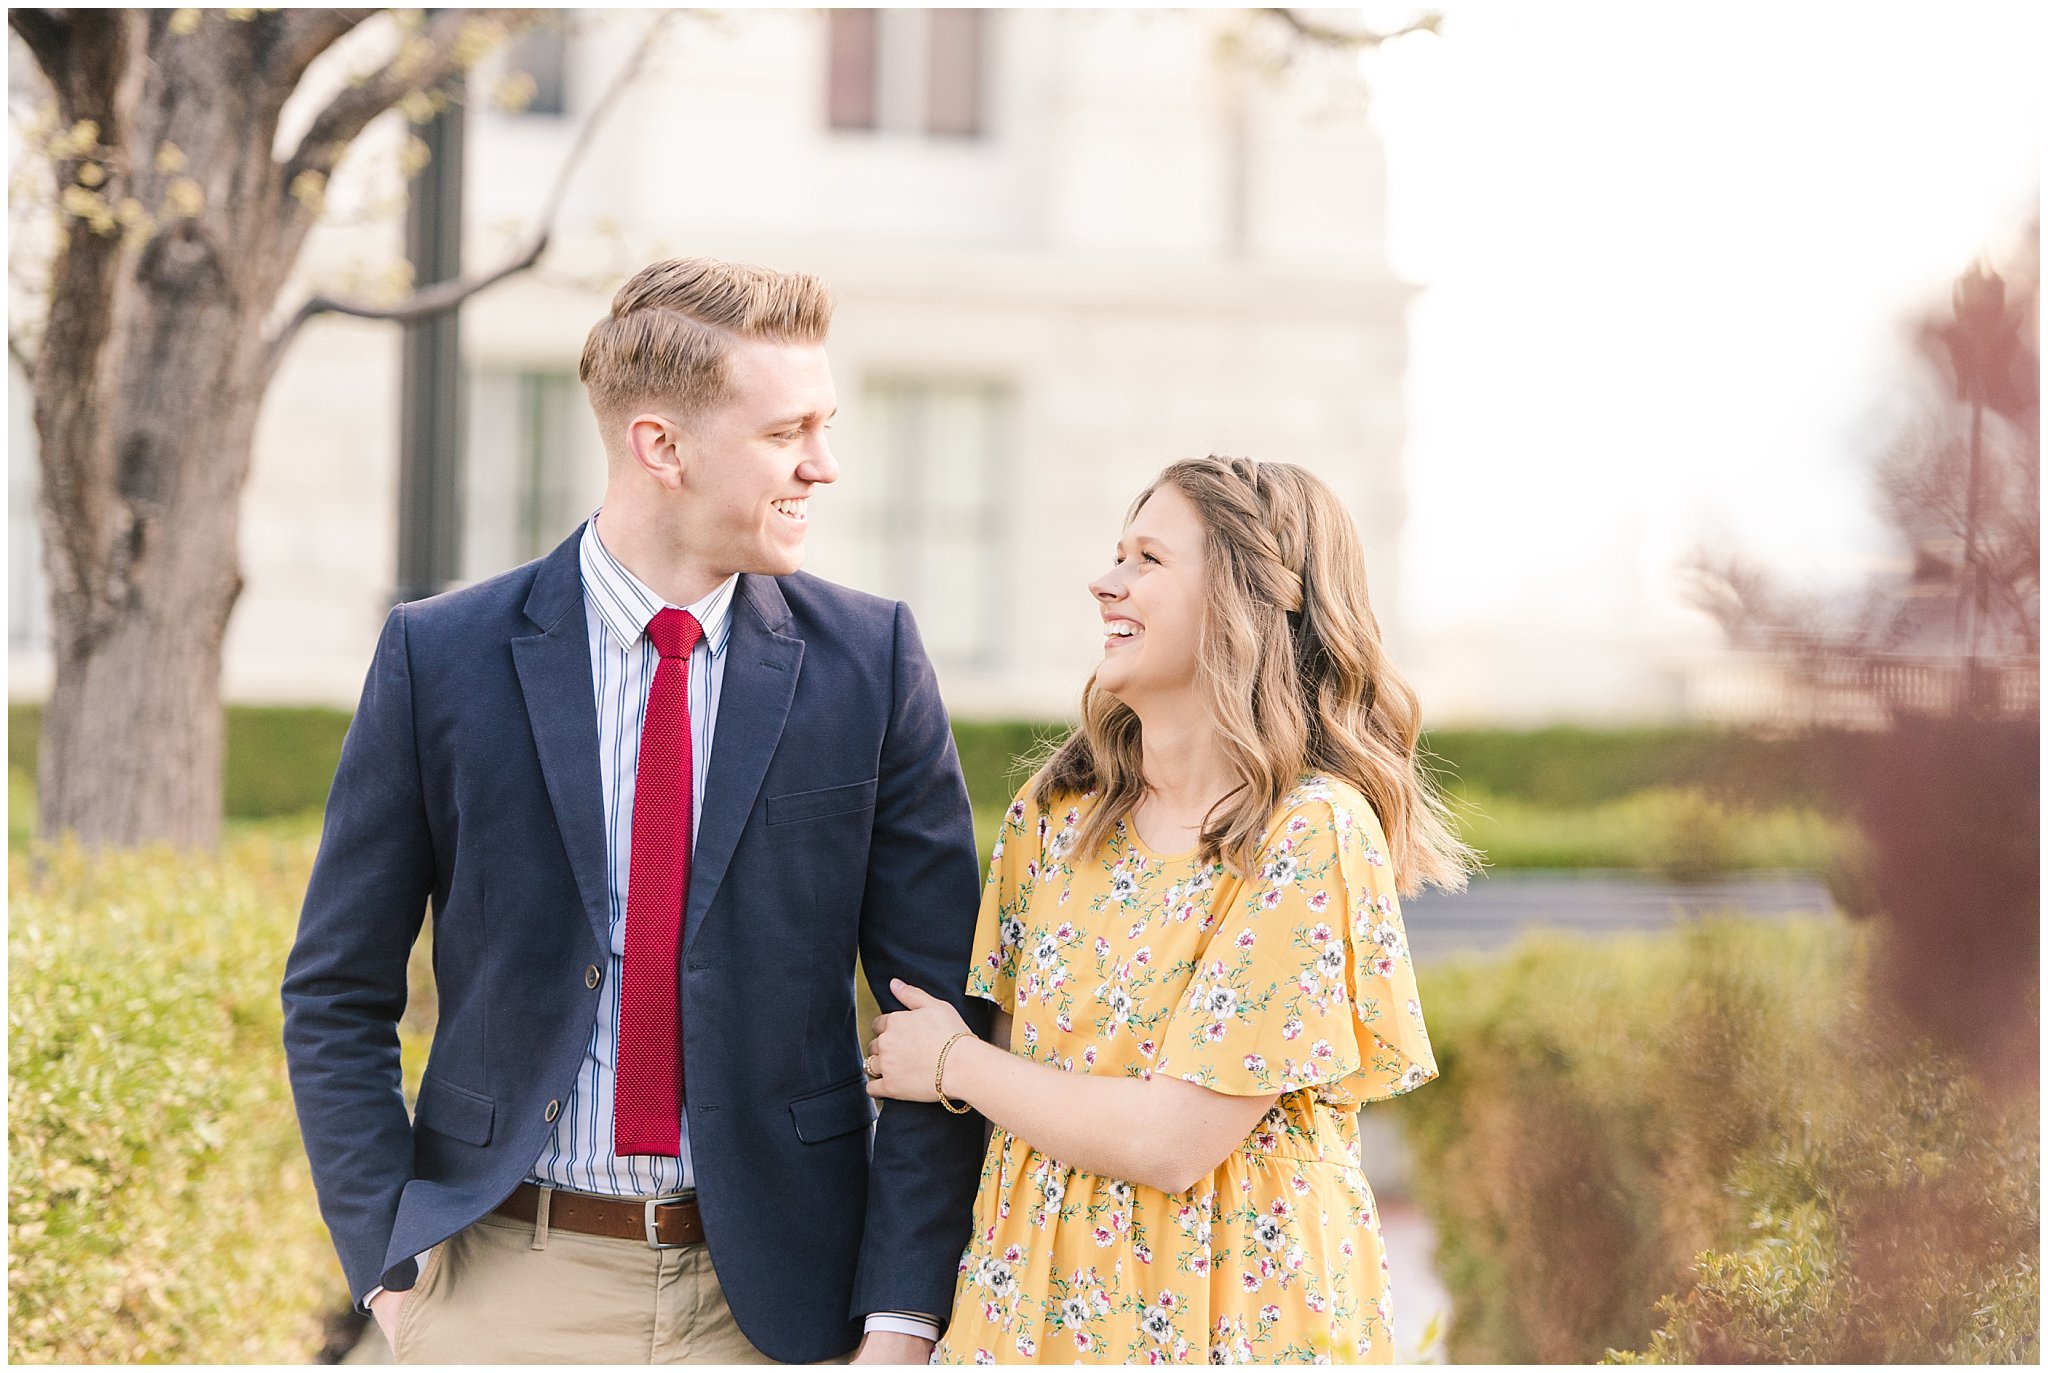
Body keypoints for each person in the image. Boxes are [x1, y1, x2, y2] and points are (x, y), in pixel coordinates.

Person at [282, 257, 988, 1364]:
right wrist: (388, 1261)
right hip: (504, 1283)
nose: (824, 464)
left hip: (781, 1303)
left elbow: (940, 1007)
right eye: (785, 431)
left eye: (826, 424)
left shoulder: (871, 661)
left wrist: (900, 1315)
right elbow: (335, 987)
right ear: (660, 445)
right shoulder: (443, 657)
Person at [866, 455, 1475, 1364]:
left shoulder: (1310, 832)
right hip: (1029, 1310)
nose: (1104, 581)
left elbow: (1175, 1139)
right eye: (1118, 553)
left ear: (1243, 602)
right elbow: (1007, 1073)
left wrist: (952, 1062)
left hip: (1231, 1317)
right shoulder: (1058, 812)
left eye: (1148, 558)